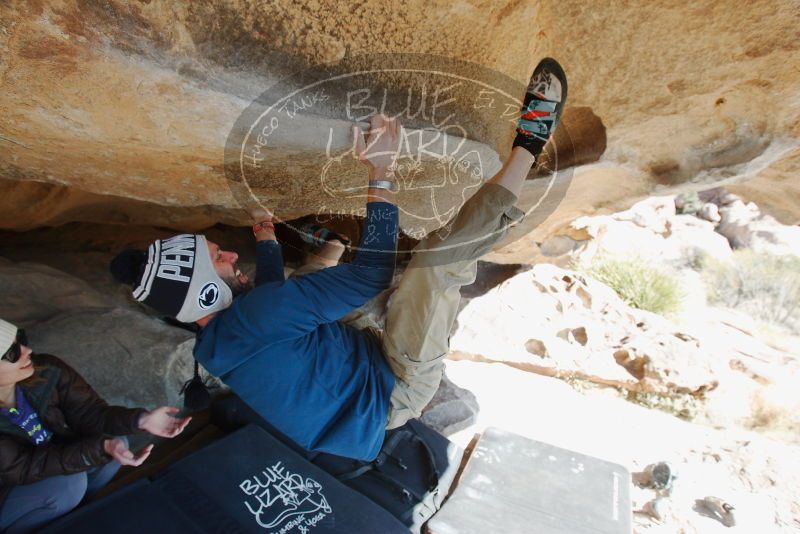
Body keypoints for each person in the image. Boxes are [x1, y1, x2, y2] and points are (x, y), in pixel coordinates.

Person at [111, 58, 567, 462]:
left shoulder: (214, 341)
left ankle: (329, 245)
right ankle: (530, 143)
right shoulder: (257, 318)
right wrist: (381, 171)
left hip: (348, 362)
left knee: (300, 285)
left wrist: (266, 233)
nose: (231, 254)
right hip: (396, 388)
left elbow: (269, 301)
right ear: (202, 288)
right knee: (432, 267)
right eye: (218, 258)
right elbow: (373, 275)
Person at [0, 319, 192, 533]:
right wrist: (98, 449)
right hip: (11, 490)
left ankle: (75, 518)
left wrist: (141, 420)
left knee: (114, 443)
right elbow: (24, 467)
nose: (27, 350)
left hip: (50, 465)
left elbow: (89, 412)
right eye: (11, 353)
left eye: (20, 339)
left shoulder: (45, 369)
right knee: (69, 485)